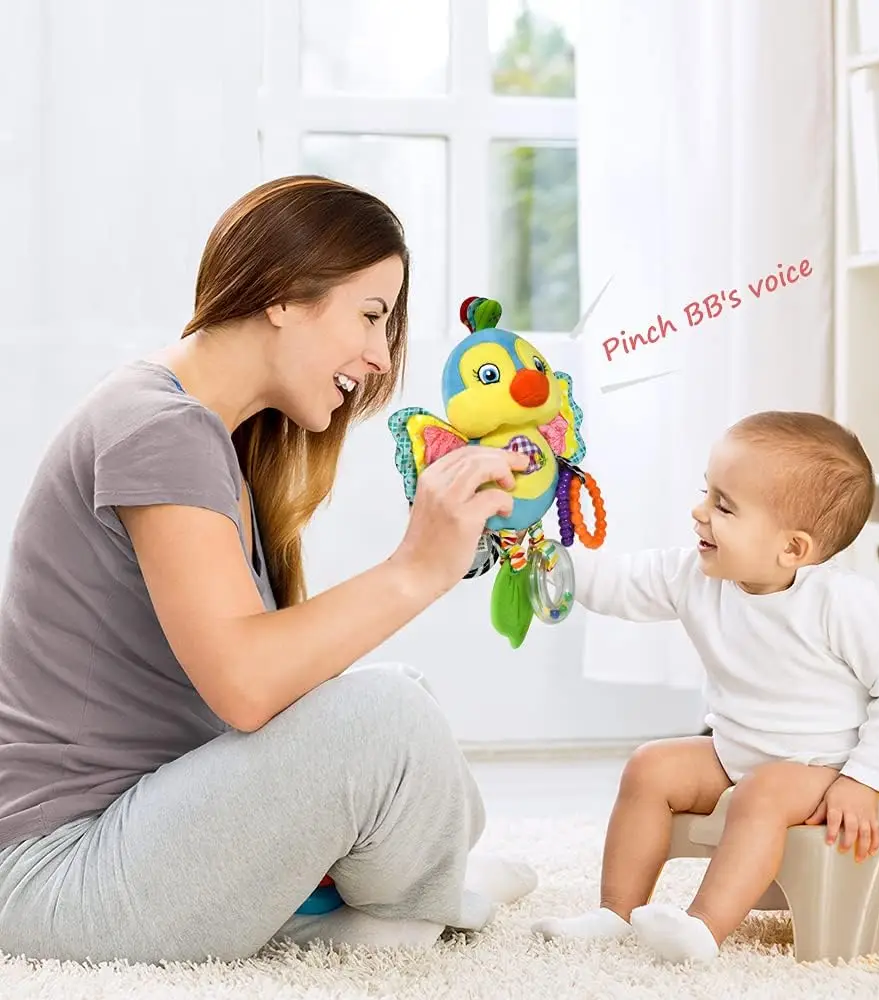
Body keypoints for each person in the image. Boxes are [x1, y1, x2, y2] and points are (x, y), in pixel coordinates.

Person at [0, 175, 538, 964]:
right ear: (284, 294)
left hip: (132, 834)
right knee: (386, 719)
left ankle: (391, 887)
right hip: (61, 877)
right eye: (371, 315)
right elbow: (247, 686)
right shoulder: (162, 428)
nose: (380, 357)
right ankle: (407, 899)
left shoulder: (192, 427)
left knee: (396, 699)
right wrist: (416, 567)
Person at [531, 411, 879, 963]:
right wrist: (546, 556)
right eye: (706, 493)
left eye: (723, 506)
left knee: (760, 796)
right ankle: (615, 913)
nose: (699, 513)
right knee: (650, 766)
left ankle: (704, 928)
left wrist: (863, 779)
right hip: (734, 751)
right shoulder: (694, 575)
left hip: (820, 766)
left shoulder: (839, 603)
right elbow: (618, 585)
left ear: (792, 549)